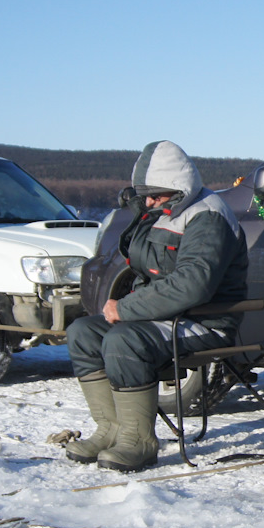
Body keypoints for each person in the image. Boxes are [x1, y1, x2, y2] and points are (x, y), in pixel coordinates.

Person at [62, 140, 248, 473]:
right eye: (144, 194)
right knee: (82, 333)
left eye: (156, 195)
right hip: (162, 318)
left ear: (179, 188)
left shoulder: (208, 215)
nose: (148, 201)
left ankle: (139, 441)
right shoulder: (160, 211)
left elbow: (193, 284)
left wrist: (127, 308)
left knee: (124, 340)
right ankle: (111, 430)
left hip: (205, 321)